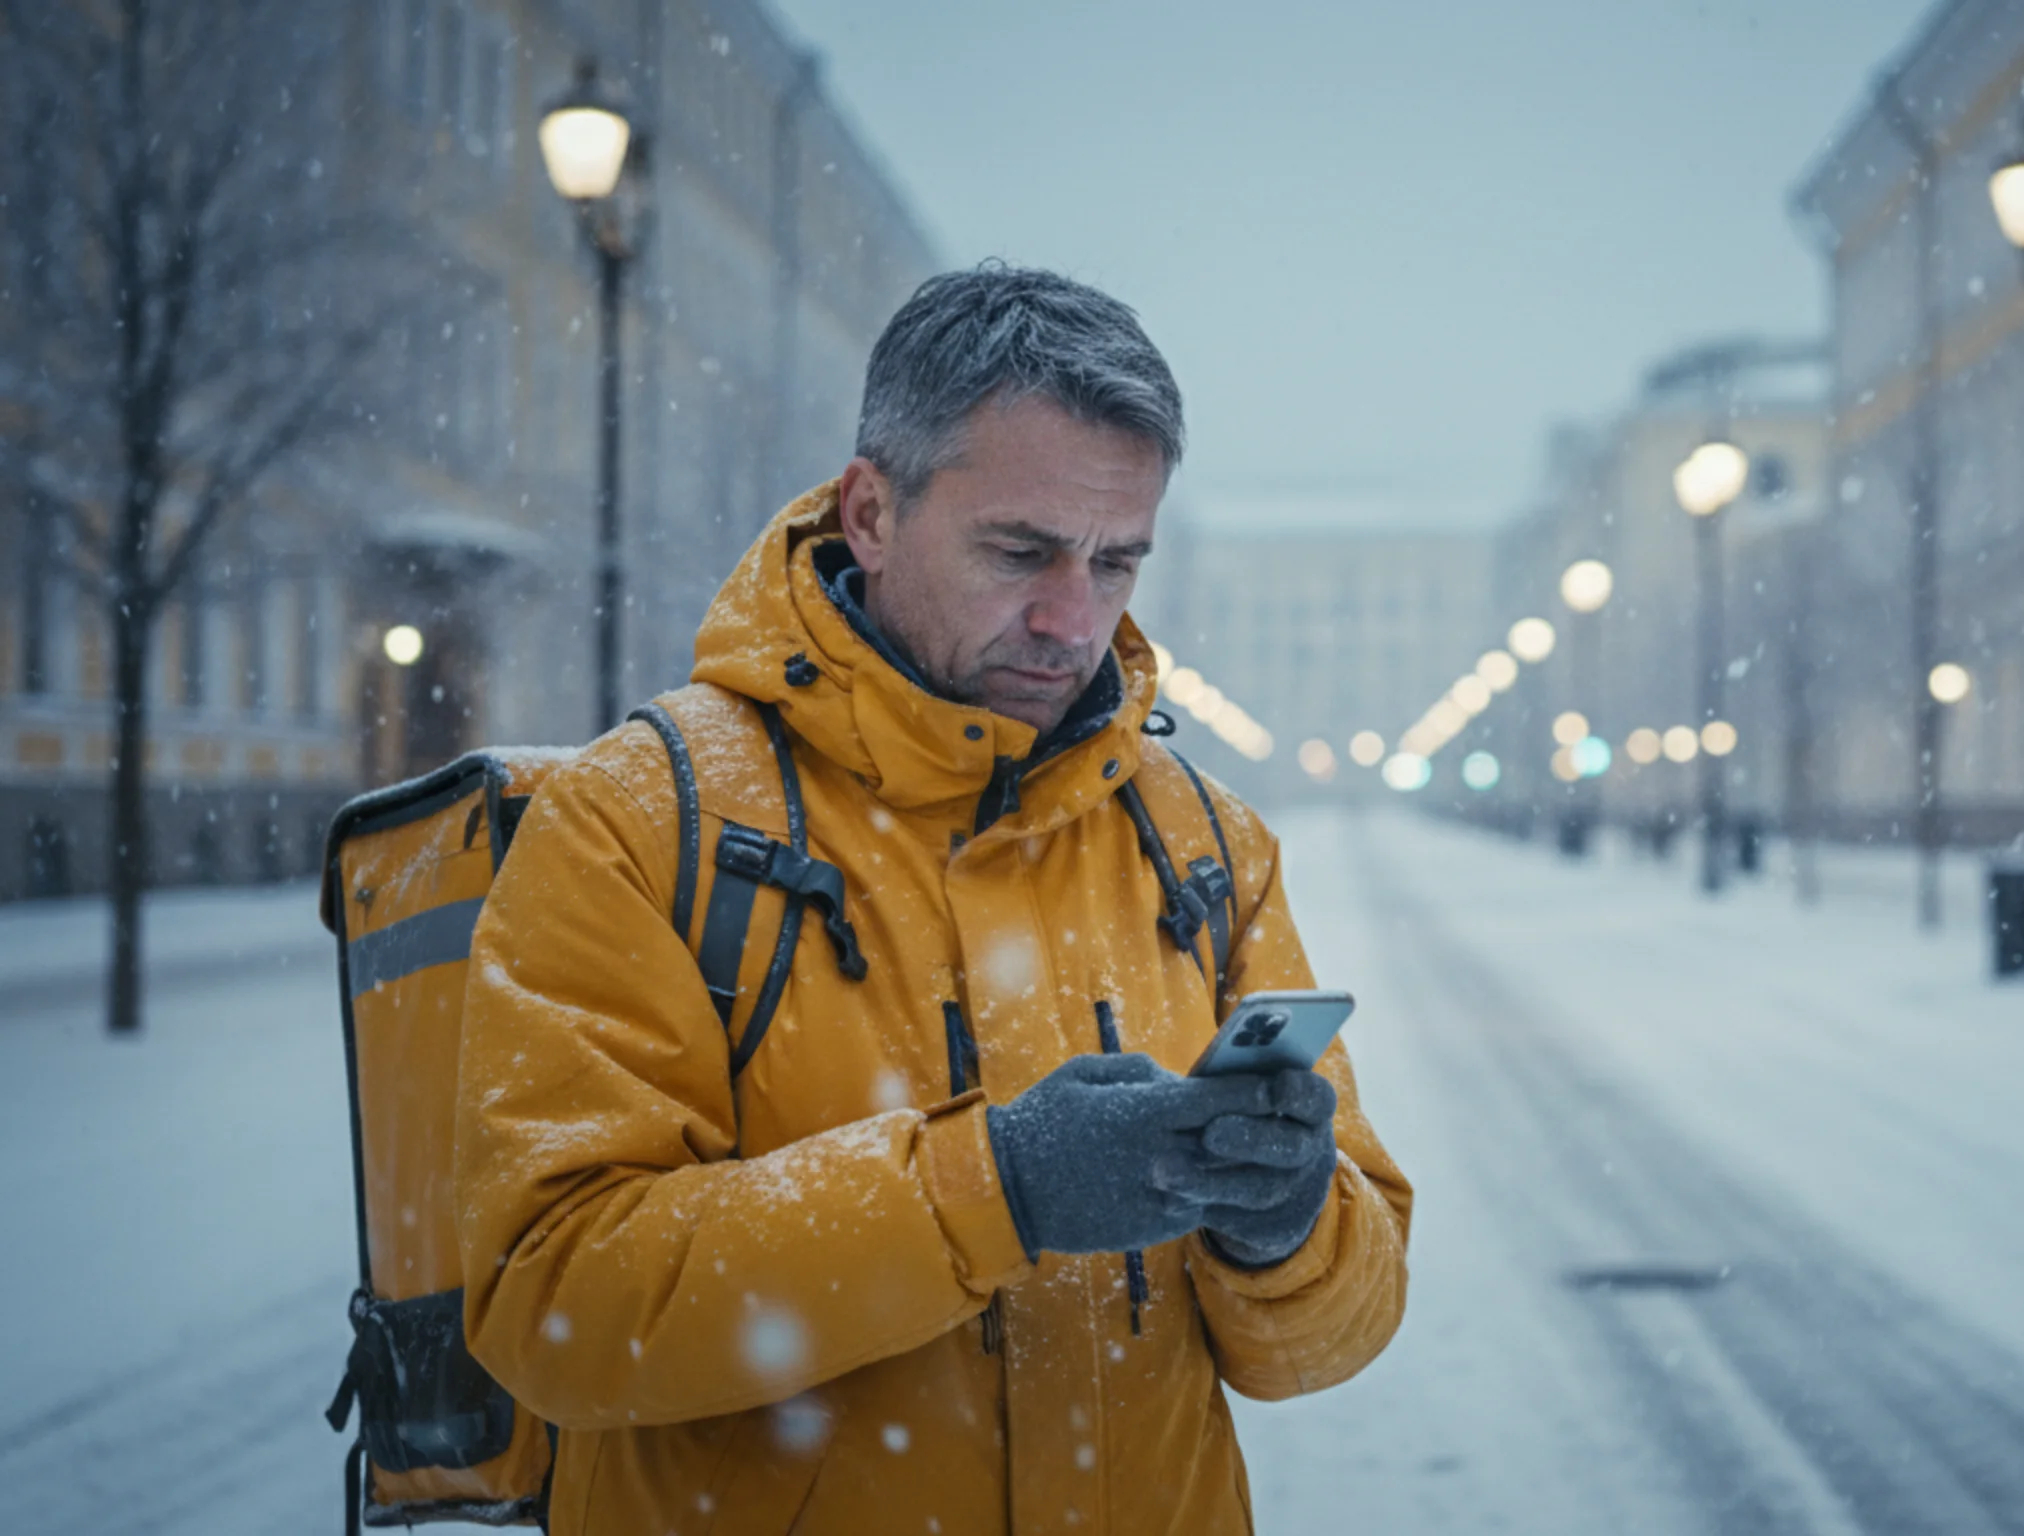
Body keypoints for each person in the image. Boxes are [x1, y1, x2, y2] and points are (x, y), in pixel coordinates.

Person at [454, 264, 1413, 1535]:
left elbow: (1323, 1346)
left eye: (1117, 560)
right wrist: (995, 1187)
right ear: (871, 511)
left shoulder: (1201, 839)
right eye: (1020, 551)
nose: (1075, 620)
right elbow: (553, 1309)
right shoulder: (647, 817)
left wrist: (1288, 1223)